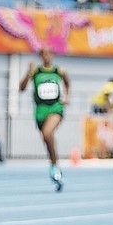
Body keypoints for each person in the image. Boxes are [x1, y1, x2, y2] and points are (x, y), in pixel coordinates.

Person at [19, 47, 70, 191]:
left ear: (53, 55)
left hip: (55, 108)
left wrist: (67, 96)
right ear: (40, 56)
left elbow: (67, 82)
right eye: (44, 54)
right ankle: (54, 165)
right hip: (40, 110)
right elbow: (21, 88)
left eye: (49, 54)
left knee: (47, 133)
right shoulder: (36, 71)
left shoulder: (58, 71)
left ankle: (54, 165)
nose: (46, 57)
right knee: (46, 139)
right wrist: (28, 73)